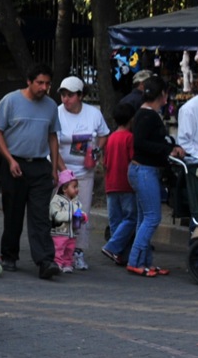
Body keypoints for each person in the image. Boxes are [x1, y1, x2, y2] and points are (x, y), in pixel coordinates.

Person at [0, 63, 64, 279]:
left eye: (47, 84)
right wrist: (10, 160)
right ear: (29, 81)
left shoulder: (51, 106)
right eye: (40, 83)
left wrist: (55, 168)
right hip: (15, 163)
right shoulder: (10, 101)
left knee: (40, 215)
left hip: (40, 165)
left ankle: (45, 260)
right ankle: (9, 254)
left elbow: (52, 136)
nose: (44, 87)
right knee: (13, 212)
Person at [54, 75, 108, 264]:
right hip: (62, 172)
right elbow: (53, 145)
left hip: (85, 173)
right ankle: (59, 250)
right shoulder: (57, 113)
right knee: (61, 212)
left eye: (70, 95)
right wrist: (64, 172)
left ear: (80, 96)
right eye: (63, 95)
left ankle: (78, 250)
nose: (65, 99)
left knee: (81, 213)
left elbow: (103, 134)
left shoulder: (93, 114)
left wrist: (96, 151)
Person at [127, 77, 173, 277]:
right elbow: (140, 143)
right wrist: (168, 149)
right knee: (153, 217)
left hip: (142, 170)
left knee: (144, 218)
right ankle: (134, 260)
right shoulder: (148, 115)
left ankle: (144, 261)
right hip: (144, 170)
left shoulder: (144, 113)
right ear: (162, 94)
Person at [99, 102, 138, 267]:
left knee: (115, 220)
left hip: (111, 183)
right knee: (131, 218)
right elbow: (133, 160)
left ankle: (119, 254)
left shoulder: (111, 138)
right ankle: (113, 247)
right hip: (126, 184)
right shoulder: (130, 138)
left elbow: (105, 162)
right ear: (132, 119)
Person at [49, 170, 86, 274]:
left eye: (77, 187)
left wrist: (83, 217)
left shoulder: (76, 202)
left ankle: (67, 263)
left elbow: (79, 211)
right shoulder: (56, 201)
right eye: (74, 187)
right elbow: (55, 215)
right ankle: (57, 263)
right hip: (59, 231)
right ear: (65, 188)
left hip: (72, 233)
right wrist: (71, 215)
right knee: (58, 249)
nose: (77, 189)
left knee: (70, 249)